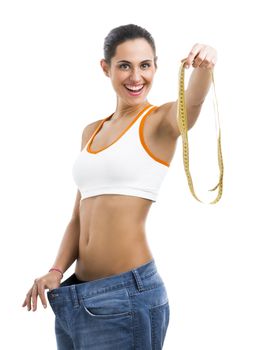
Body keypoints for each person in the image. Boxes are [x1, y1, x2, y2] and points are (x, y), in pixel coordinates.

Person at [22, 23, 217, 349]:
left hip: (126, 296)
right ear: (106, 68)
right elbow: (78, 217)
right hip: (75, 296)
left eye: (145, 65)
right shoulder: (91, 131)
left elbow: (191, 106)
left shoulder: (160, 122)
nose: (136, 77)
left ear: (156, 67)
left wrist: (206, 68)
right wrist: (56, 270)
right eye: (124, 65)